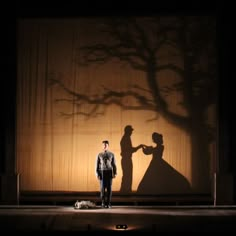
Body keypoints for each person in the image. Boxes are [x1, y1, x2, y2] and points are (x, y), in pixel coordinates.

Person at [120, 125, 143, 193]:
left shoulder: (126, 138)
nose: (131, 132)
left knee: (126, 176)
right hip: (126, 159)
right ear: (127, 131)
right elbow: (130, 150)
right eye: (130, 131)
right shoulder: (126, 139)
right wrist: (139, 147)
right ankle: (125, 191)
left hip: (126, 159)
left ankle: (124, 190)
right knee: (128, 176)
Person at [95, 140, 117, 208]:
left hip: (109, 172)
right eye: (103, 145)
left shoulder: (111, 154)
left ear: (108, 146)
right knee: (102, 188)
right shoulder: (99, 155)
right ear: (102, 146)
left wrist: (115, 173)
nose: (104, 146)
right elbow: (97, 165)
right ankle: (103, 203)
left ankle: (109, 203)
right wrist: (97, 173)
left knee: (109, 188)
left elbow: (114, 164)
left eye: (106, 145)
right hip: (102, 172)